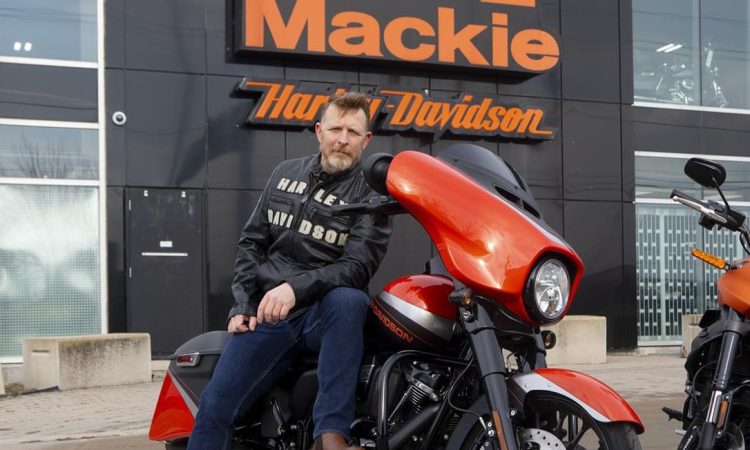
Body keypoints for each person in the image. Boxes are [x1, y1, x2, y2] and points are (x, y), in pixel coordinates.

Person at [187, 92, 392, 450]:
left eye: (353, 132)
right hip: (268, 315)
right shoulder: (284, 174)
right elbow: (252, 243)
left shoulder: (373, 197)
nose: (343, 139)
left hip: (319, 314)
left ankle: (330, 436)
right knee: (214, 407)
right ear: (318, 131)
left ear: (367, 140)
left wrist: (295, 288)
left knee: (349, 300)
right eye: (335, 129)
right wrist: (243, 305)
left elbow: (357, 267)